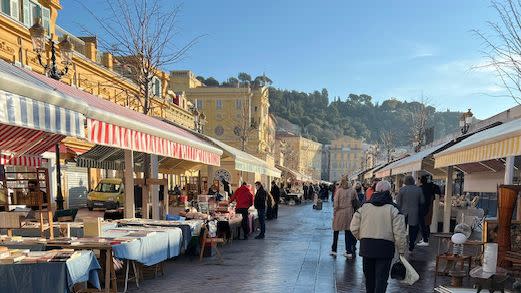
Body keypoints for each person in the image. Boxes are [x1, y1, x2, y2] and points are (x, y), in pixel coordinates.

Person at [350, 180, 407, 293]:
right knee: (381, 279)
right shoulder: (394, 209)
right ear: (389, 191)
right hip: (385, 247)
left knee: (369, 279)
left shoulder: (364, 207)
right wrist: (401, 250)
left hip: (367, 246)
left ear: (375, 190)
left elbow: (353, 227)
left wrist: (361, 237)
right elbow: (400, 232)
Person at [331, 176, 358, 258]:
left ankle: (334, 250)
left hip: (339, 212)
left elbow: (335, 203)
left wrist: (335, 212)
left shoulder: (339, 191)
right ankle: (348, 251)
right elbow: (356, 201)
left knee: (336, 231)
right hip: (349, 212)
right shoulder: (352, 190)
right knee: (348, 232)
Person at [397, 175, 425, 252]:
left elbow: (398, 203)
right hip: (414, 212)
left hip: (403, 212)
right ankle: (411, 243)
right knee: (413, 229)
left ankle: (401, 245)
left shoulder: (402, 190)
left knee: (402, 229)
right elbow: (422, 201)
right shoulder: (418, 189)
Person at [419, 175, 441, 246]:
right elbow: (437, 193)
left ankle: (425, 240)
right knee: (427, 224)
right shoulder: (432, 187)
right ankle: (425, 238)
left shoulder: (422, 188)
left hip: (423, 208)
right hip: (430, 208)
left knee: (422, 224)